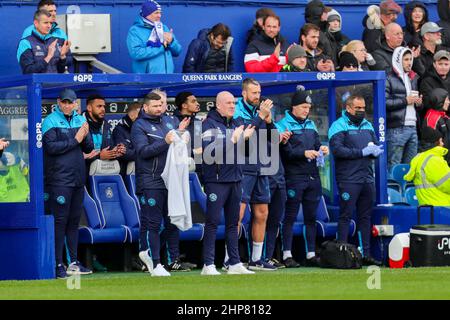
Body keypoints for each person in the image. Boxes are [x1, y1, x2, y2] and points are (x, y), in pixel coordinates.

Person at [200, 91, 255, 275]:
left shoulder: (237, 122)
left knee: (233, 222)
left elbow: (245, 152)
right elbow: (210, 153)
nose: (232, 105)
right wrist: (233, 140)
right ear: (218, 105)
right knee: (213, 222)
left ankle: (234, 263)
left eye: (234, 102)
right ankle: (208, 264)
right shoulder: (208, 123)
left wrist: (245, 139)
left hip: (236, 179)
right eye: (228, 103)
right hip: (216, 180)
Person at [131, 92, 187, 277]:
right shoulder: (139, 125)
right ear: (145, 107)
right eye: (155, 106)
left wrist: (180, 137)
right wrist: (165, 141)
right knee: (153, 224)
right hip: (150, 181)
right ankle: (155, 263)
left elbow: (173, 145)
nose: (159, 108)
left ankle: (147, 253)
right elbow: (143, 151)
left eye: (161, 105)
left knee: (172, 223)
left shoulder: (168, 122)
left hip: (170, 181)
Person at [42, 89, 94, 278]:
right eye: (63, 102)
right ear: (58, 102)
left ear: (75, 104)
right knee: (59, 222)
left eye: (70, 102)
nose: (66, 105)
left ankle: (73, 262)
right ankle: (57, 264)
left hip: (78, 179)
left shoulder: (80, 120)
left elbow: (88, 147)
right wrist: (76, 139)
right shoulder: (50, 121)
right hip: (59, 181)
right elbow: (51, 148)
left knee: (73, 223)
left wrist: (86, 133)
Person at [328, 95, 383, 266]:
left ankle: (364, 253)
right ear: (349, 108)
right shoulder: (338, 126)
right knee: (345, 216)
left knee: (365, 217)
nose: (361, 111)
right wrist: (361, 152)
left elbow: (374, 144)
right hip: (348, 179)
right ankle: (341, 254)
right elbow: (338, 151)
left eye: (363, 108)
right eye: (358, 108)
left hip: (367, 177)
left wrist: (374, 151)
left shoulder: (368, 125)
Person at [276, 90, 329, 267]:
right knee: (290, 216)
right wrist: (304, 153)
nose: (307, 110)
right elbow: (286, 153)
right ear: (294, 107)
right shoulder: (283, 125)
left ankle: (311, 254)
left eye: (308, 107)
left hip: (312, 176)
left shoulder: (311, 124)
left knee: (311, 217)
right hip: (294, 177)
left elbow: (315, 145)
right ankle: (286, 254)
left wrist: (322, 149)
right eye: (303, 107)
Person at [232, 78, 276, 271]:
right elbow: (243, 138)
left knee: (262, 213)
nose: (257, 96)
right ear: (244, 93)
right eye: (253, 93)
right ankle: (230, 259)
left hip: (261, 167)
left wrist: (270, 121)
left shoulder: (262, 111)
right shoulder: (236, 110)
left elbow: (273, 140)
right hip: (242, 167)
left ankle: (256, 259)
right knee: (237, 214)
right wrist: (261, 116)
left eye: (259, 93)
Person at [385, 47, 422, 171]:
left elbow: (413, 101)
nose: (409, 62)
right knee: (394, 166)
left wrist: (418, 103)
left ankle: (405, 190)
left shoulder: (413, 77)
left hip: (413, 127)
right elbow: (384, 103)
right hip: (396, 128)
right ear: (397, 60)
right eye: (406, 59)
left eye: (411, 59)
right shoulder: (388, 77)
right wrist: (406, 100)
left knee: (410, 168)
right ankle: (393, 191)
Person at [127, 0, 182, 73]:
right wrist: (162, 47)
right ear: (147, 14)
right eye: (156, 13)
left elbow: (177, 51)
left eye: (160, 13)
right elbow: (136, 53)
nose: (159, 16)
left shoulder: (164, 28)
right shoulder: (135, 30)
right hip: (146, 80)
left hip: (168, 78)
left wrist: (171, 41)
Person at [404, 126, 450, 206]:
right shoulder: (434, 160)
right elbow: (447, 184)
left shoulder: (420, 159)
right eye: (441, 141)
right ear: (436, 143)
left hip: (429, 207)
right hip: (442, 208)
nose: (443, 144)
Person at [17, 9, 72, 74]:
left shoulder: (57, 41)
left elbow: (61, 71)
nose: (49, 26)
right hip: (37, 84)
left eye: (51, 23)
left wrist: (62, 56)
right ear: (36, 23)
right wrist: (48, 57)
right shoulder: (25, 43)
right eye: (45, 23)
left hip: (56, 83)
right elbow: (28, 71)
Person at [83, 94, 126, 177]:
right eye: (99, 106)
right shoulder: (78, 123)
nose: (103, 109)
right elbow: (75, 155)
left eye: (104, 106)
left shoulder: (106, 125)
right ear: (89, 108)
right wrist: (99, 156)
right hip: (83, 175)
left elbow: (108, 148)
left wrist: (115, 152)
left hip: (102, 173)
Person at [112, 102, 142, 178]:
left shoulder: (143, 128)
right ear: (132, 115)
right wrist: (145, 153)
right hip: (125, 175)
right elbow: (123, 153)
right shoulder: (119, 130)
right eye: (141, 115)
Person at [422, 88, 450, 163]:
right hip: (438, 161)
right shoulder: (432, 118)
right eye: (447, 100)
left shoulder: (443, 116)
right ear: (439, 100)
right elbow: (430, 146)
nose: (448, 102)